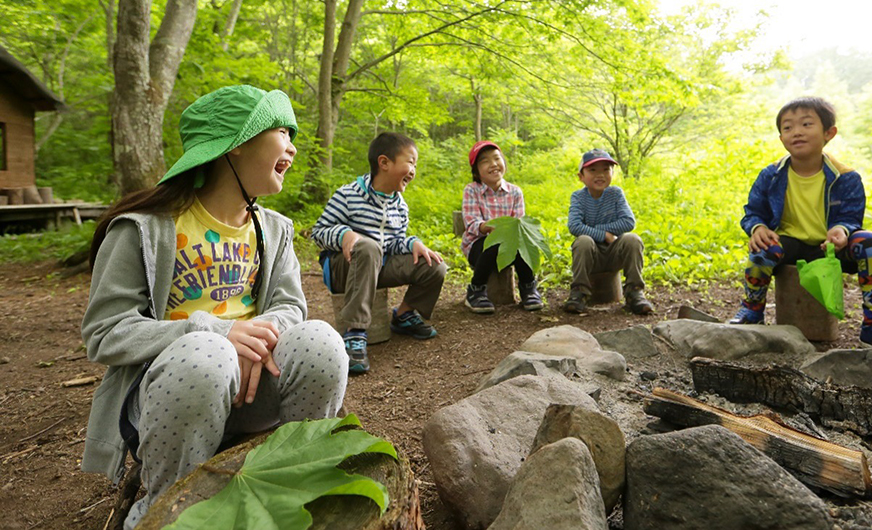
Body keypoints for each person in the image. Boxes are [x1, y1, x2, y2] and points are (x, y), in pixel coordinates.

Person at [81, 85, 348, 529]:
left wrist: (255, 341)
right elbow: (105, 331)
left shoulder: (275, 229)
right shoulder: (145, 229)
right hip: (176, 394)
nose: (294, 146)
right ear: (238, 144)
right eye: (283, 131)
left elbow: (289, 307)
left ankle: (297, 479)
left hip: (255, 385)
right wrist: (218, 335)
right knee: (208, 353)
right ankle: (168, 509)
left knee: (322, 340)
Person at [732, 96, 872, 358]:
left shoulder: (845, 176)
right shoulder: (772, 174)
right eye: (787, 127)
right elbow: (753, 212)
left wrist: (842, 230)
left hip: (831, 247)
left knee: (869, 242)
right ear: (781, 138)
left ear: (828, 133)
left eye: (806, 124)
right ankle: (752, 312)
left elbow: (851, 216)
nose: (796, 132)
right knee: (762, 248)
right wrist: (757, 227)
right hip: (789, 243)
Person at [310, 132, 447, 374]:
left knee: (433, 265)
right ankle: (354, 332)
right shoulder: (348, 194)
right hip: (344, 267)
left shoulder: (399, 206)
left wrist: (411, 243)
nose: (414, 169)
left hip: (378, 266)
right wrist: (345, 235)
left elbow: (392, 244)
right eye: (411, 162)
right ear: (384, 163)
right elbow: (318, 232)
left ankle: (404, 315)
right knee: (368, 246)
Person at [563, 149, 654, 315]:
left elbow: (628, 222)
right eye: (592, 170)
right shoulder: (578, 197)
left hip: (614, 253)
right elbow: (574, 226)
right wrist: (603, 235)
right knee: (583, 240)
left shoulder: (616, 194)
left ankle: (634, 292)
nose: (600, 175)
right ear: (581, 176)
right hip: (590, 254)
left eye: (606, 169)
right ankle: (579, 293)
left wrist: (595, 229)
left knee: (632, 239)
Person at [461, 140, 544, 314]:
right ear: (476, 171)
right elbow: (471, 224)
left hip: (510, 243)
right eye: (485, 161)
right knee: (493, 244)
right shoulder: (472, 190)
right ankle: (476, 290)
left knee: (524, 245)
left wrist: (515, 232)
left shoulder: (515, 192)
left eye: (497, 158)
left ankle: (528, 288)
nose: (493, 164)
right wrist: (491, 228)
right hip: (479, 245)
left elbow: (519, 222)